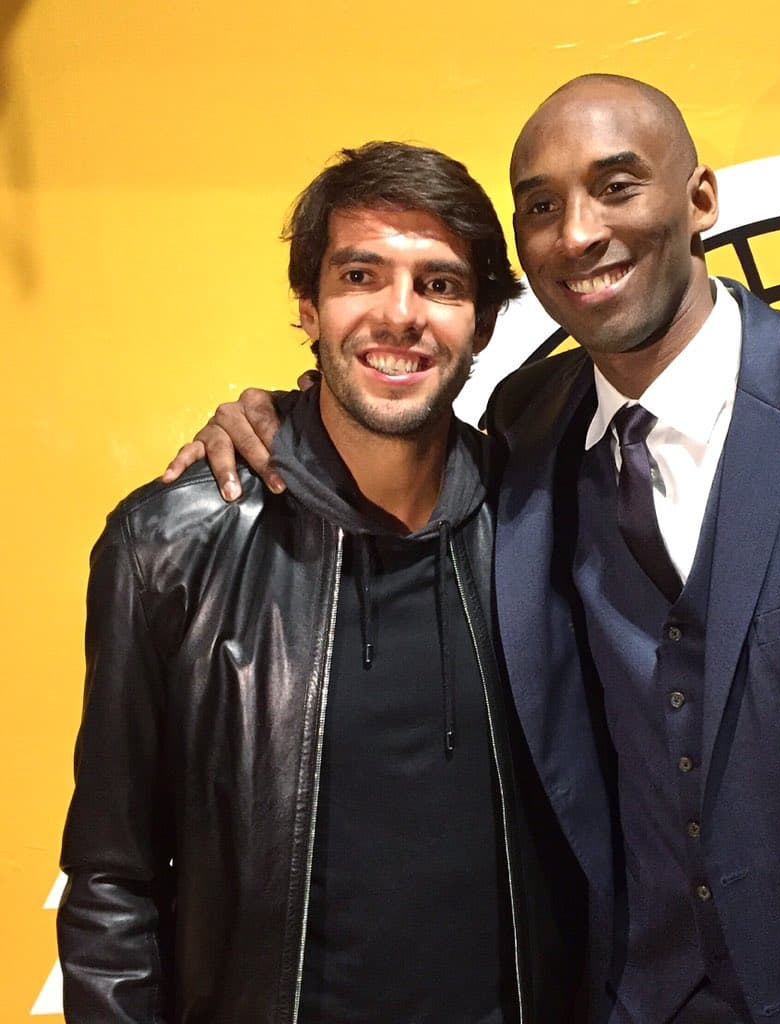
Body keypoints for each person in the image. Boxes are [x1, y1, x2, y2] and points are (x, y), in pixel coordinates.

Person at [166, 76, 780, 1023]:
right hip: (624, 998)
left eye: (616, 187)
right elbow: (374, 429)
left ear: (701, 199)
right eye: (541, 206)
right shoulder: (526, 425)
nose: (577, 233)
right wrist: (278, 423)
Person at [59, 141, 583, 1024]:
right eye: (360, 276)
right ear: (308, 306)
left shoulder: (548, 522)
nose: (400, 314)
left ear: (484, 323)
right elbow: (114, 880)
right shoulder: (169, 545)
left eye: (440, 284)